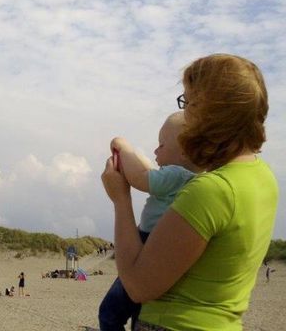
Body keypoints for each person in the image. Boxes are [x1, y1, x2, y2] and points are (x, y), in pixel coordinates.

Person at [102, 53, 279, 331]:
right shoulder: (263, 177)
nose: (185, 115)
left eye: (187, 102)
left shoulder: (211, 191)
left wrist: (120, 199)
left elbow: (137, 286)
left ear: (210, 113)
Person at [99, 112, 201, 331]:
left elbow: (139, 177)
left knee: (109, 313)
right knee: (139, 312)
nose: (155, 151)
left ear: (184, 151)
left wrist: (120, 144)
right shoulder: (191, 180)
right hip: (166, 248)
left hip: (146, 244)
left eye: (161, 145)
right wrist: (133, 155)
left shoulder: (174, 175)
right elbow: (147, 169)